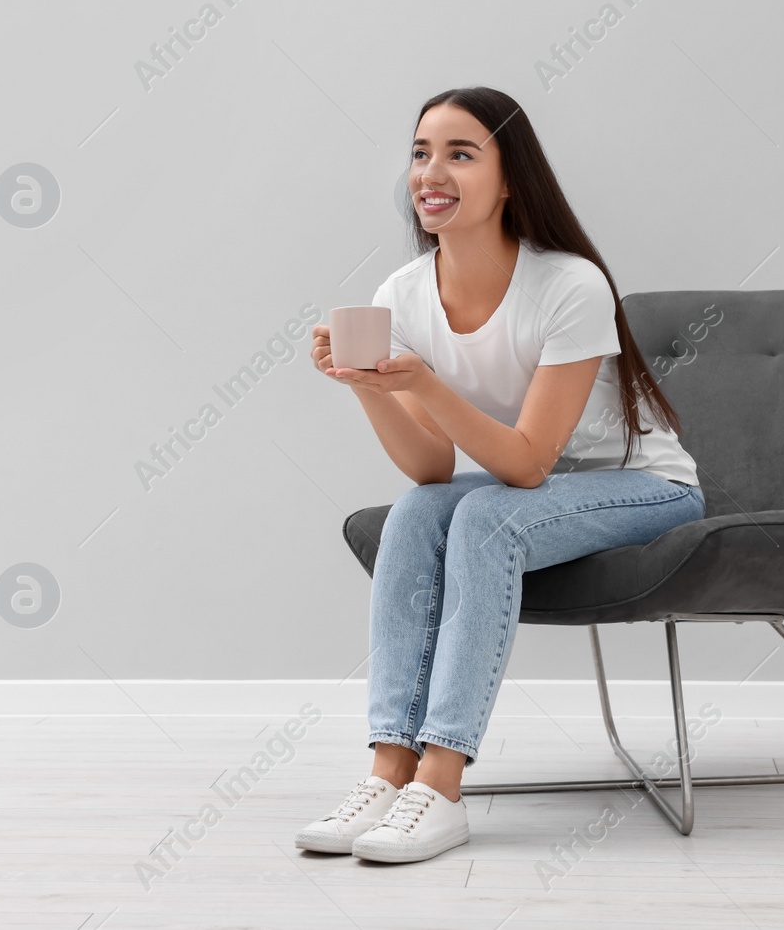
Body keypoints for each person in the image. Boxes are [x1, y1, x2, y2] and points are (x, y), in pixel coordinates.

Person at [300, 86, 705, 864]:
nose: (431, 171)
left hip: (645, 488)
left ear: (510, 178)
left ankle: (443, 783)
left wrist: (422, 382)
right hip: (531, 493)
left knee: (489, 515)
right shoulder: (403, 294)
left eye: (459, 153)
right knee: (418, 508)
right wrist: (368, 385)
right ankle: (390, 769)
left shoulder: (568, 283)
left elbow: (526, 464)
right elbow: (431, 466)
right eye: (421, 152)